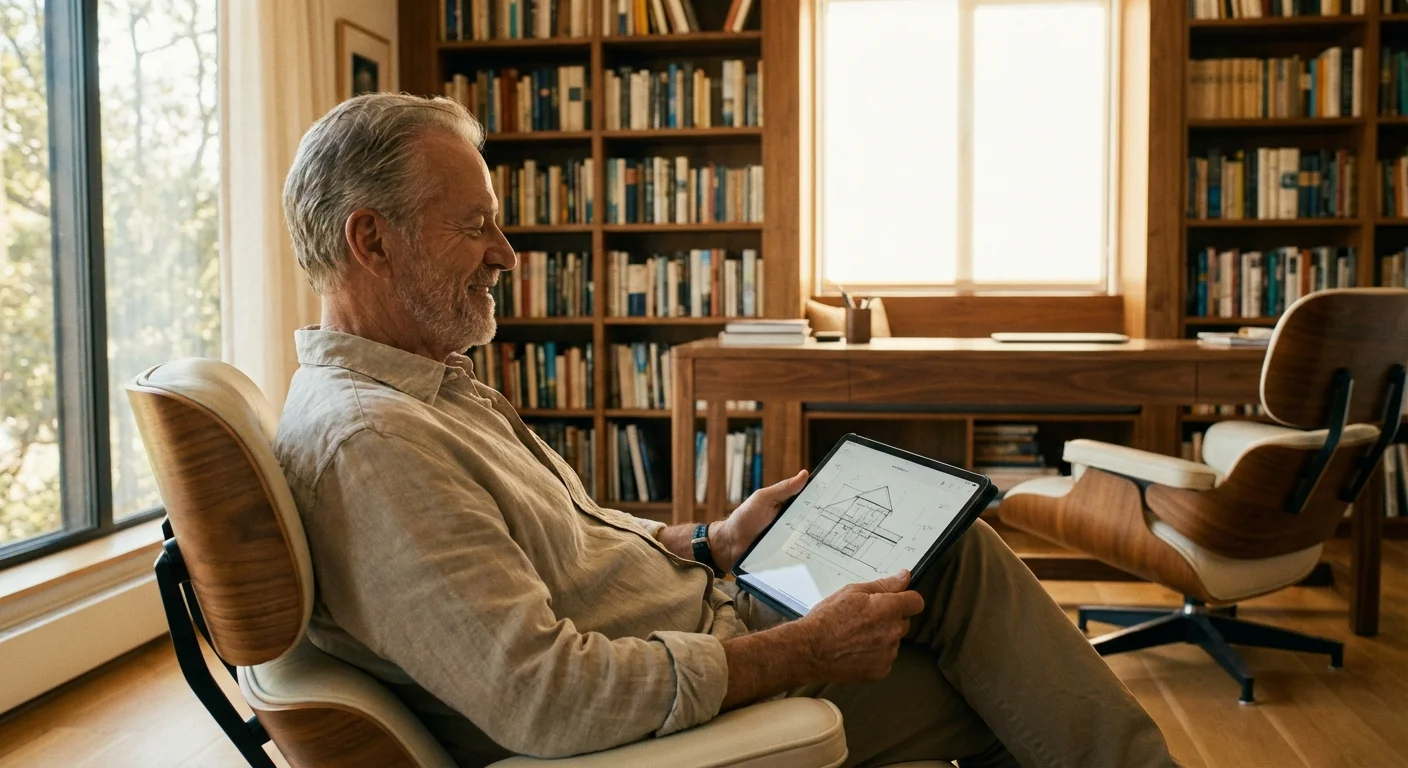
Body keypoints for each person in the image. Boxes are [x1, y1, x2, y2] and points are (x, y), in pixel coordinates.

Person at [274, 93, 1174, 768]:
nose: (507, 255)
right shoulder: (375, 445)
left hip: (713, 617)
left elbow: (573, 550)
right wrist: (800, 650)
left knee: (954, 566)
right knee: (995, 665)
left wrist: (709, 538)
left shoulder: (430, 395)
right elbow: (543, 696)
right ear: (372, 241)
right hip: (679, 696)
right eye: (477, 226)